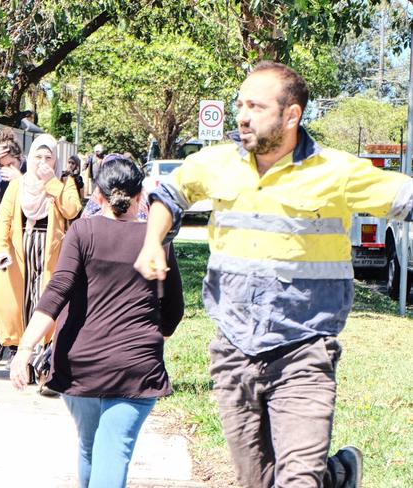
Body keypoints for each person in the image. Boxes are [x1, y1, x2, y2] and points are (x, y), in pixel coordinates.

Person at [133, 61, 413, 488]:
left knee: (296, 481)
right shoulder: (218, 162)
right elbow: (170, 193)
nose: (242, 115)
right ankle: (336, 475)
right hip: (234, 347)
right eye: (240, 104)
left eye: (256, 106)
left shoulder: (335, 171)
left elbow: (404, 196)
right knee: (257, 482)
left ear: (291, 115)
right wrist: (153, 240)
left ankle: (321, 476)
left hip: (304, 350)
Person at [10, 155, 184, 488]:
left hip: (79, 363)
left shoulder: (83, 231)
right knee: (112, 451)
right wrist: (152, 334)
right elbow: (173, 309)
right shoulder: (157, 239)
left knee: (91, 447)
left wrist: (25, 350)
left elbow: (56, 293)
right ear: (140, 197)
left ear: (98, 197)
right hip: (135, 365)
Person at [0, 133, 82, 372]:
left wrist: (52, 182)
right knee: (20, 300)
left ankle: (44, 355)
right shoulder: (18, 184)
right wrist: (0, 248)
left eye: (48, 157)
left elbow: (72, 210)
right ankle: (22, 354)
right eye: (38, 156)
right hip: (21, 252)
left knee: (46, 299)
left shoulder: (63, 181)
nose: (43, 161)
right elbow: (5, 218)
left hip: (50, 252)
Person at [0, 127, 26, 365]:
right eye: (2, 164)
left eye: (11, 163)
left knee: (17, 293)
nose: (6, 168)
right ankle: (0, 339)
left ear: (20, 160)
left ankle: (15, 344)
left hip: (19, 242)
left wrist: (21, 179)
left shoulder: (27, 174)